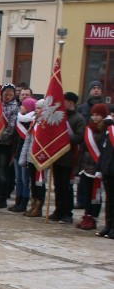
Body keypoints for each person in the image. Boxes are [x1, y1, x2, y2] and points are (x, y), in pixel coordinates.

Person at [49, 92, 86, 223]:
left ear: (71, 102)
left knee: (67, 187)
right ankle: (58, 210)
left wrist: (63, 138)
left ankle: (67, 213)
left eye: (64, 101)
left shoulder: (79, 119)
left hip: (70, 158)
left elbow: (79, 137)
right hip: (58, 156)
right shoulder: (60, 117)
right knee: (57, 186)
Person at [75, 104, 110, 230]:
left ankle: (93, 217)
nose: (95, 118)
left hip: (96, 166)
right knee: (87, 193)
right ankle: (87, 214)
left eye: (98, 115)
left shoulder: (106, 129)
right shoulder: (88, 128)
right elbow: (83, 147)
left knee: (96, 194)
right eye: (93, 115)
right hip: (86, 165)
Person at [96, 106, 114, 238]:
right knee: (109, 200)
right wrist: (99, 168)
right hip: (108, 169)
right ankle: (108, 226)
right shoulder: (109, 131)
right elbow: (103, 151)